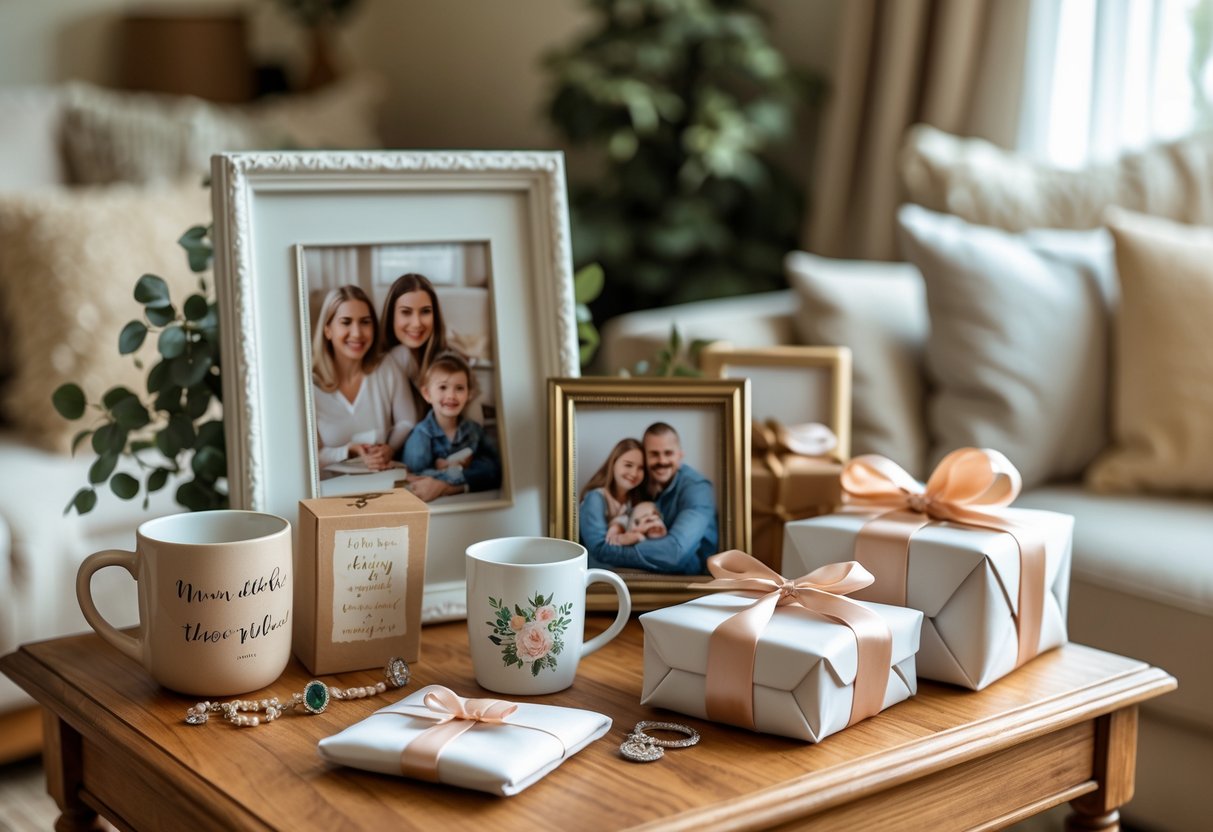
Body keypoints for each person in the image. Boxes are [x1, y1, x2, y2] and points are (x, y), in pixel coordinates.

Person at [582, 422, 718, 574]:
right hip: (647, 578)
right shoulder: (639, 489)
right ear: (645, 457)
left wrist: (613, 548)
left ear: (680, 455)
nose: (662, 461)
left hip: (694, 580)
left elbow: (674, 552)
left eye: (668, 453)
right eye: (654, 454)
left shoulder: (697, 488)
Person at [312, 285, 416, 471]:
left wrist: (389, 448)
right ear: (328, 330)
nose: (357, 333)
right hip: (330, 488)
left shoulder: (386, 367)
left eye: (365, 322)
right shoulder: (308, 385)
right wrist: (348, 451)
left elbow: (407, 421)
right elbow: (307, 457)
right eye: (346, 322)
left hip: (380, 481)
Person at [401, 352, 500, 501]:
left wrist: (447, 475)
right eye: (443, 387)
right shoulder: (421, 435)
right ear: (427, 394)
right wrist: (461, 472)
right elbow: (414, 478)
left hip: (469, 503)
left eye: (459, 388)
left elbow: (494, 469)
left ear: (469, 394)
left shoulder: (473, 430)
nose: (451, 395)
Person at [379, 273, 450, 413]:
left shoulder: (447, 360)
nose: (417, 323)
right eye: (406, 312)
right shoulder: (389, 362)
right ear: (391, 316)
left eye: (425, 311)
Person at [579, 437, 645, 549]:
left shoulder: (635, 501)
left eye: (641, 468)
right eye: (628, 465)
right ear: (613, 463)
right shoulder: (595, 498)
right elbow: (598, 548)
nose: (634, 473)